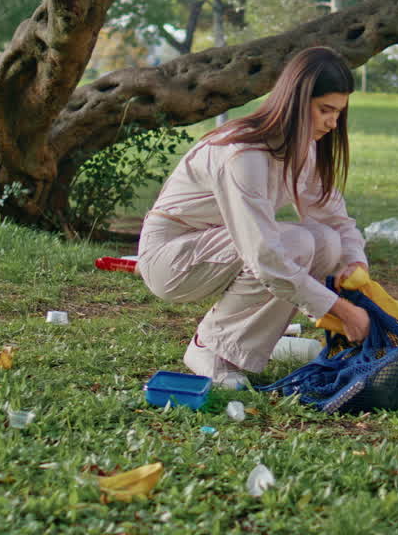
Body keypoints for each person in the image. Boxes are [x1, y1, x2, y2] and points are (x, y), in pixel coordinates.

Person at [137, 46, 371, 389]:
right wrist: (341, 309)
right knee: (294, 244)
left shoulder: (303, 147)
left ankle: (251, 343)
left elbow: (333, 216)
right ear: (296, 101)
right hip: (171, 259)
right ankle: (209, 348)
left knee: (327, 243)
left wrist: (355, 263)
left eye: (338, 112)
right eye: (325, 110)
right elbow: (263, 255)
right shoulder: (242, 155)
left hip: (219, 245)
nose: (333, 123)